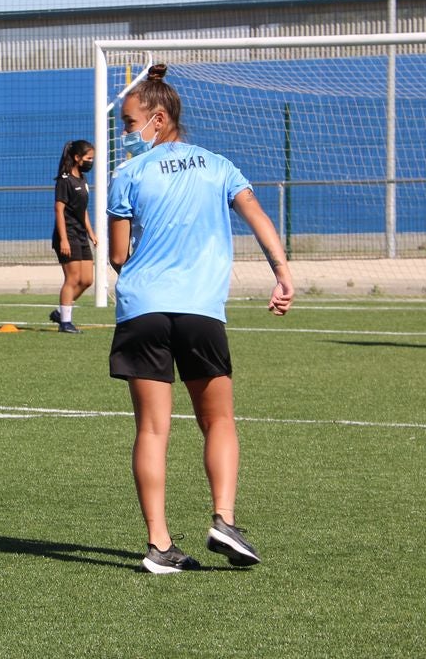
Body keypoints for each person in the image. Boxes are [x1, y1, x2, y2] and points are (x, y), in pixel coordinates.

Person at [107, 64, 294, 574]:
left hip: (142, 309)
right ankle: (224, 519)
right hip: (200, 311)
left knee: (152, 429)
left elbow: (120, 256)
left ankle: (159, 545)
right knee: (218, 420)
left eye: (128, 123)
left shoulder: (127, 175)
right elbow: (255, 212)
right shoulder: (218, 165)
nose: (125, 134)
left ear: (158, 118)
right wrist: (281, 272)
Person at [49, 140, 98, 334]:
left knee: (87, 280)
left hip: (80, 235)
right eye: (88, 158)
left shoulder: (83, 180)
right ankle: (65, 323)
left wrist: (91, 233)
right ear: (77, 158)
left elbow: (82, 210)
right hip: (67, 235)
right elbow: (59, 210)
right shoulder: (64, 180)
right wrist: (63, 240)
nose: (91, 162)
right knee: (73, 278)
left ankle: (62, 312)